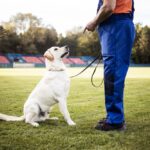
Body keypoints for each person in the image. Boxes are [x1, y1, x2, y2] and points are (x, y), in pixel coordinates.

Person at [84, 0, 135, 131]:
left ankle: (115, 120)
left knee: (113, 74)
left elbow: (108, 7)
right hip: (117, 24)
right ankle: (113, 116)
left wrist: (93, 22)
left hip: (115, 24)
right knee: (113, 73)